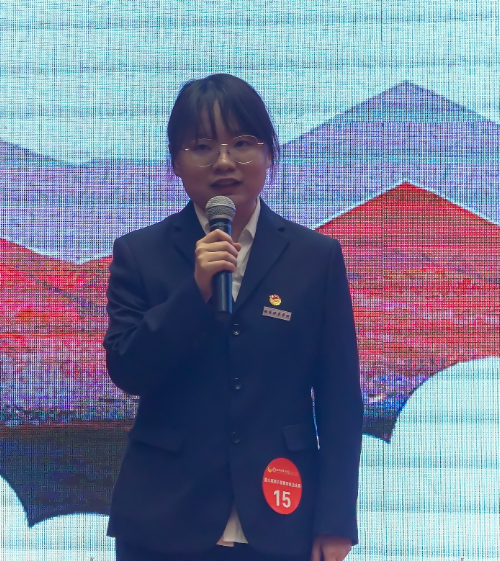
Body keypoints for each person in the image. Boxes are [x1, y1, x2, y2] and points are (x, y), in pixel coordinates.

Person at [103, 74, 363, 561]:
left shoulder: (315, 257)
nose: (224, 161)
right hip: (164, 521)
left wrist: (336, 520)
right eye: (202, 146)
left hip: (282, 517)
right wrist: (194, 293)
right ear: (176, 162)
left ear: (268, 154)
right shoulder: (140, 254)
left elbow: (340, 400)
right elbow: (128, 371)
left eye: (243, 143)